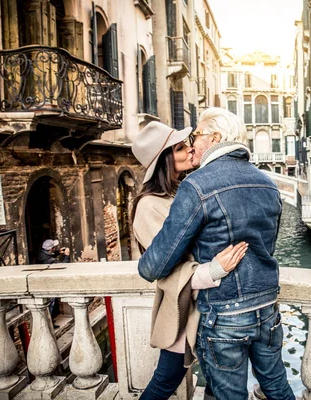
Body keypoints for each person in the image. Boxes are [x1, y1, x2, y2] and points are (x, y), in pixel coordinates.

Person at [138, 108, 295, 400]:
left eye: (196, 136)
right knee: (277, 388)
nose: (193, 144)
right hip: (267, 307)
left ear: (215, 138)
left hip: (224, 315)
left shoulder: (196, 186)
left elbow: (152, 267)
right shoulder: (268, 184)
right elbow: (266, 244)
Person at [131, 121, 248, 400]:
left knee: (219, 383)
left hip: (213, 307)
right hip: (183, 309)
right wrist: (214, 269)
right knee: (165, 381)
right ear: (165, 159)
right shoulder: (148, 206)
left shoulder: (185, 191)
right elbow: (166, 270)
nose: (190, 148)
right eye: (181, 147)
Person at [37, 239, 70, 328]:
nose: (55, 248)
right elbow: (63, 266)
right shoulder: (50, 260)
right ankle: (49, 323)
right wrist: (66, 256)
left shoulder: (40, 254)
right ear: (51, 248)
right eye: (54, 247)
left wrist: (58, 252)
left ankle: (49, 320)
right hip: (47, 283)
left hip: (42, 280)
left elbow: (48, 255)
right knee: (51, 302)